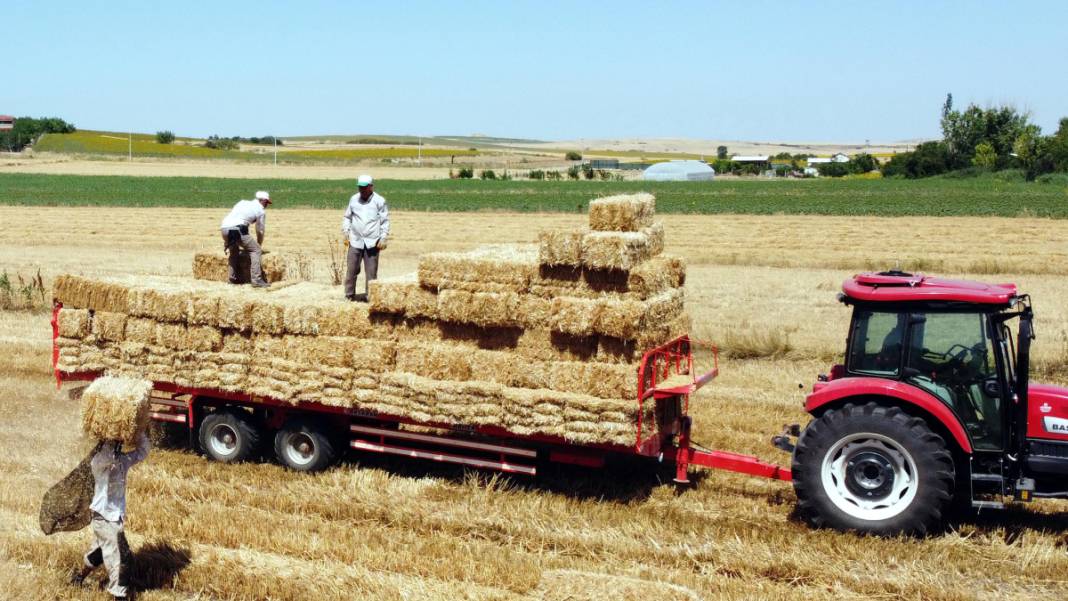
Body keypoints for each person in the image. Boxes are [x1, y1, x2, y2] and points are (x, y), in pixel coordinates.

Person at [70, 432, 150, 600]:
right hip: (103, 518)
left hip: (114, 518)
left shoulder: (122, 461)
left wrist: (138, 430)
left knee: (99, 553)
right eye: (115, 443)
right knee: (120, 559)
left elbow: (143, 451)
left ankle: (78, 577)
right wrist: (114, 431)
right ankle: (118, 595)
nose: (119, 445)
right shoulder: (98, 460)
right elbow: (109, 457)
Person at [341, 175, 390, 301]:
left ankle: (371, 298)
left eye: (364, 187)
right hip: (355, 241)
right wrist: (346, 231)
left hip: (372, 243)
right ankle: (349, 295)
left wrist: (383, 237)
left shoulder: (379, 201)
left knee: (371, 273)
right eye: (360, 187)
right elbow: (347, 217)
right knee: (351, 271)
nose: (361, 190)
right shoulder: (353, 199)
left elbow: (385, 221)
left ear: (371, 187)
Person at [220, 191, 272, 288]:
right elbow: (260, 230)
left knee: (234, 251)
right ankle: (257, 280)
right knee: (256, 250)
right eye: (267, 203)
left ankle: (232, 279)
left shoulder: (242, 202)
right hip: (237, 229)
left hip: (224, 228)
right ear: (264, 201)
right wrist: (258, 245)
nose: (267, 205)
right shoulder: (260, 211)